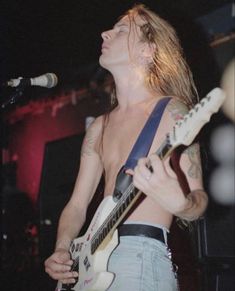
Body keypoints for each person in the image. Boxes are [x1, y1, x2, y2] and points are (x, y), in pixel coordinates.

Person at [45, 4, 208, 291]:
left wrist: (180, 204)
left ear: (148, 50)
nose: (105, 33)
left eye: (121, 30)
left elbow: (199, 202)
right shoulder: (99, 127)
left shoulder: (173, 112)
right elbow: (76, 206)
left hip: (141, 257)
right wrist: (62, 248)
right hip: (87, 265)